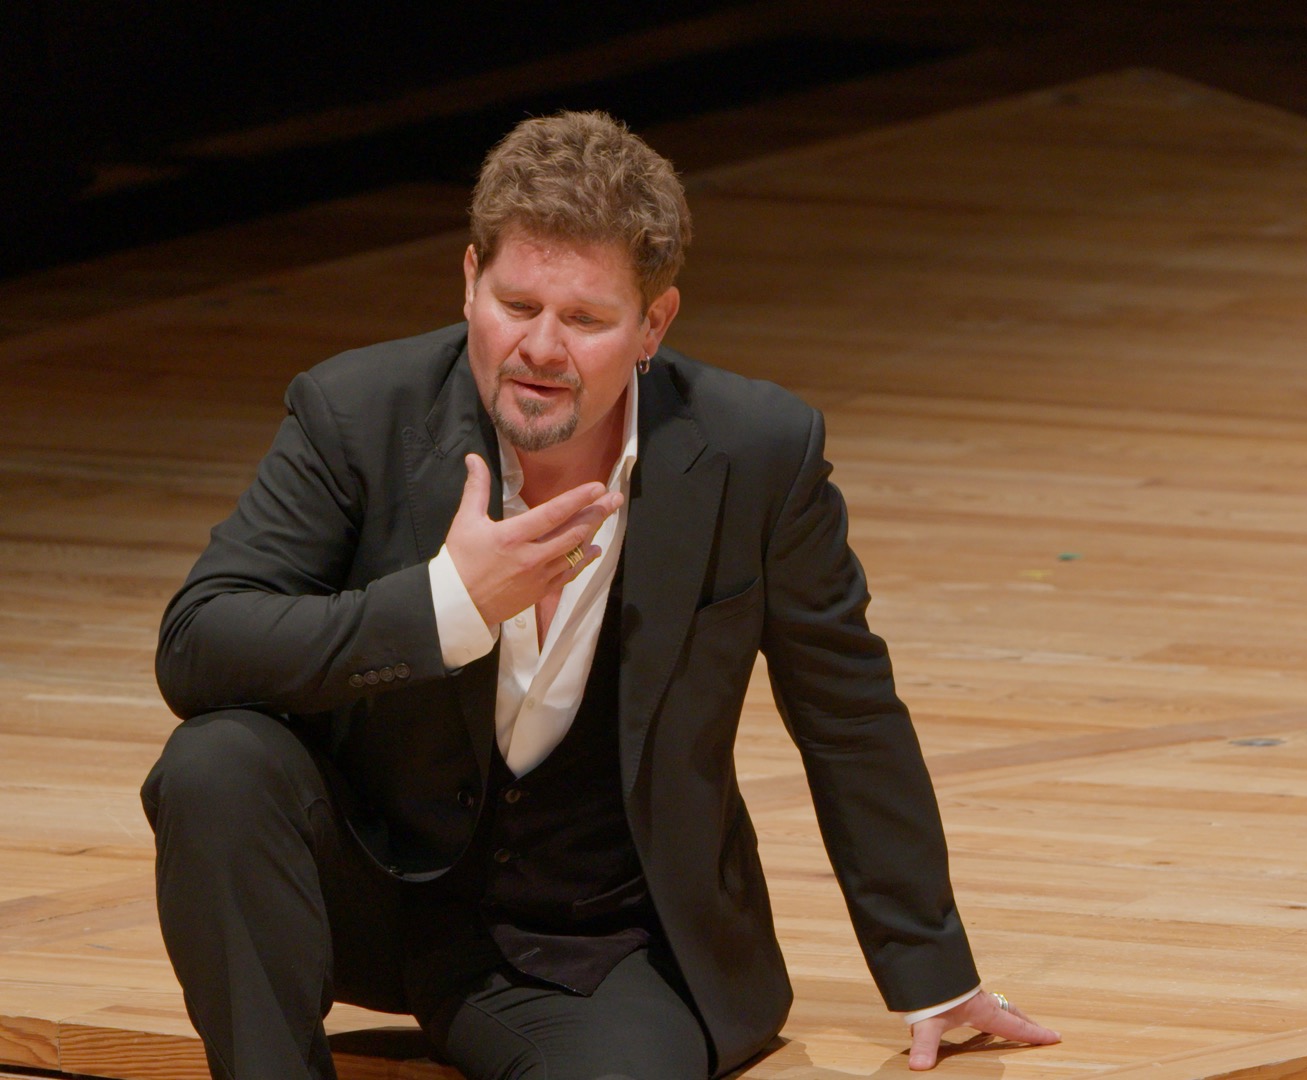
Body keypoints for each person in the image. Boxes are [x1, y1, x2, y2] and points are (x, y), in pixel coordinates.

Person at [142, 109, 1058, 1080]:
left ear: (653, 323)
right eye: (516, 304)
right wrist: (450, 605)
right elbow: (200, 643)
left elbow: (846, 708)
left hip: (595, 939)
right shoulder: (355, 412)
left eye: (584, 319)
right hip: (368, 893)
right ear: (468, 281)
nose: (539, 346)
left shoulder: (756, 452)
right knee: (217, 766)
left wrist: (928, 964)